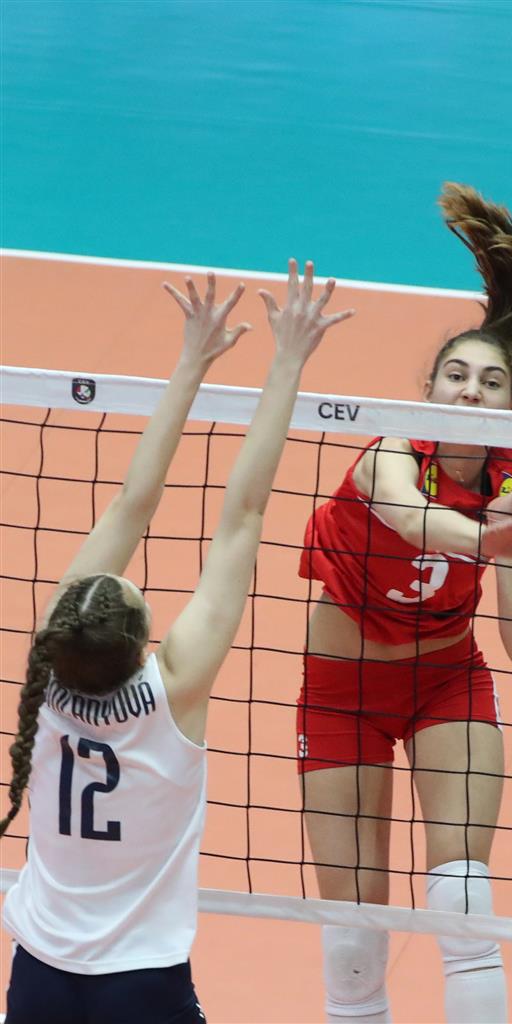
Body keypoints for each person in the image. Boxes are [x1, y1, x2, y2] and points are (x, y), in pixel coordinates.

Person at [1, 261, 352, 1023]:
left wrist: (189, 361)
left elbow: (130, 506)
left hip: (38, 979)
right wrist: (286, 361)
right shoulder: (175, 687)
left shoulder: (46, 675)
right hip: (140, 985)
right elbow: (244, 514)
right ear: (141, 638)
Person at [297, 183, 512, 1024]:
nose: (470, 390)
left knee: (464, 909)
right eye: (455, 375)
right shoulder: (388, 451)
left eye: (490, 381)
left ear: (510, 405)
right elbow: (413, 520)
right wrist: (490, 538)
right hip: (341, 692)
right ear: (429, 391)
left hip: (448, 683)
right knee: (352, 941)